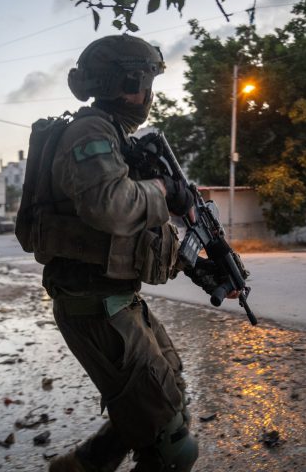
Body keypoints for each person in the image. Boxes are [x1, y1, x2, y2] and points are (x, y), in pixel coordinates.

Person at [29, 35, 200, 472]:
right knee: (173, 448)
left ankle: (81, 467)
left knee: (169, 393)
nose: (149, 95)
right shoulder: (91, 132)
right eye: (146, 83)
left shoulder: (117, 138)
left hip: (116, 299)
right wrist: (164, 190)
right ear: (128, 83)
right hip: (93, 303)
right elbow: (110, 205)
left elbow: (138, 232)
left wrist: (198, 264)